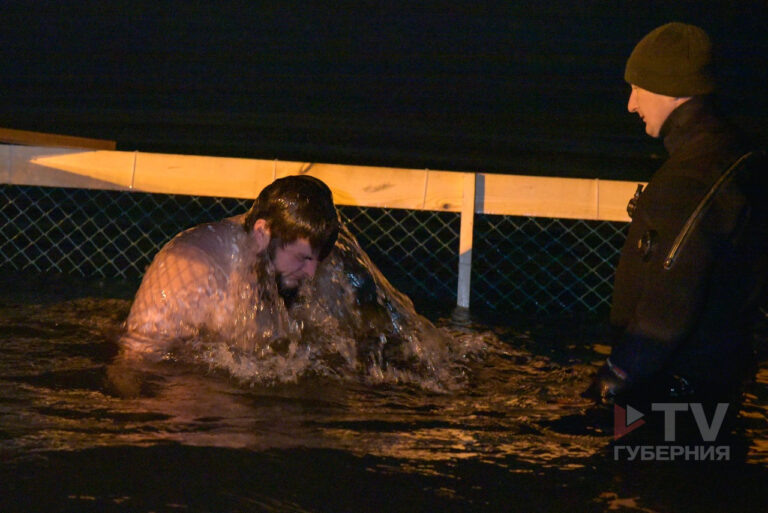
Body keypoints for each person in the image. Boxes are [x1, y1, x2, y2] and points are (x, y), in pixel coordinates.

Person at [583, 22, 768, 405]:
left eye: (638, 89)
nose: (631, 104)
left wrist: (609, 384)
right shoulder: (738, 158)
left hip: (672, 393)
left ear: (671, 90)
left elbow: (666, 308)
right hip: (713, 384)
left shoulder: (694, 177)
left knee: (644, 462)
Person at [121, 174, 340, 359]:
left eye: (316, 260)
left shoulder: (287, 268)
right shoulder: (193, 268)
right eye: (302, 257)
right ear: (262, 233)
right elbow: (137, 360)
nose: (311, 273)